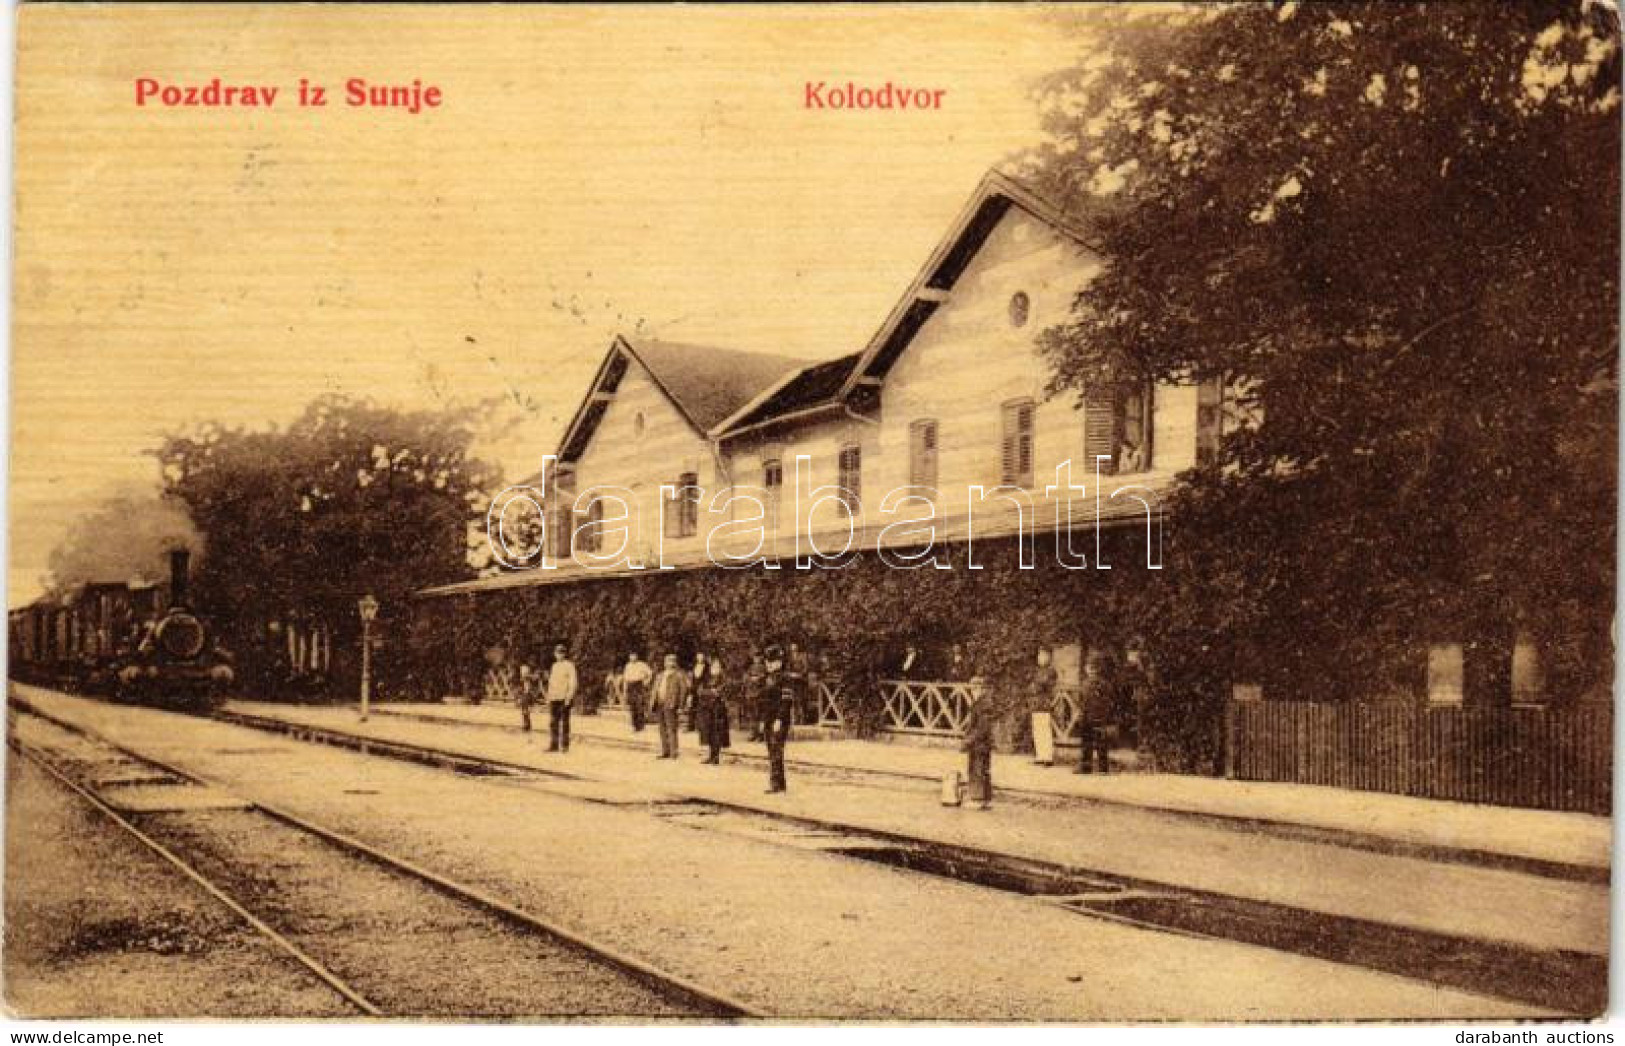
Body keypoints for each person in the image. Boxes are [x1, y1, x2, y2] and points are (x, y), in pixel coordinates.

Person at [760, 644, 793, 793]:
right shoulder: (768, 678)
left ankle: (776, 784)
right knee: (772, 751)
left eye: (771, 661)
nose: (768, 664)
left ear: (778, 662)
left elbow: (786, 701)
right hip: (768, 720)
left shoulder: (785, 678)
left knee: (776, 751)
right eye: (767, 661)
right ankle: (780, 784)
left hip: (779, 721)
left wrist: (779, 719)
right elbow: (764, 702)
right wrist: (762, 720)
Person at [1075, 651, 1113, 774]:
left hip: (1091, 717)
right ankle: (1101, 768)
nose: (1089, 670)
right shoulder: (1105, 684)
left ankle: (1088, 767)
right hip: (1098, 717)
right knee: (1098, 743)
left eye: (1090, 667)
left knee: (1088, 743)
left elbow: (1083, 702)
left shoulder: (1088, 684)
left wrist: (1081, 715)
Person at [962, 689, 998, 810]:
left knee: (977, 770)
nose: (973, 691)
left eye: (975, 688)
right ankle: (985, 799)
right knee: (983, 770)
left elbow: (982, 728)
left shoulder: (982, 705)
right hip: (983, 743)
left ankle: (977, 799)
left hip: (979, 743)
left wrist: (968, 740)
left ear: (980, 689)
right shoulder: (983, 704)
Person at [650, 652, 690, 759]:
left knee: (671, 728)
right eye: (667, 661)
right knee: (662, 728)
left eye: (672, 661)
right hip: (660, 703)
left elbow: (683, 691)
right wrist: (652, 701)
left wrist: (681, 706)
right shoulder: (660, 675)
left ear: (675, 663)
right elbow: (655, 689)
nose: (669, 663)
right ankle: (665, 751)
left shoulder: (679, 675)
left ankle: (673, 752)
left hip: (671, 704)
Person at [695, 653, 730, 764]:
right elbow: (700, 690)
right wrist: (709, 692)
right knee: (708, 731)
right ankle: (711, 755)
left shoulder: (723, 678)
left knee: (717, 732)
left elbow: (719, 692)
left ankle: (716, 756)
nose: (715, 668)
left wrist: (709, 692)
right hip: (706, 708)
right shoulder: (707, 678)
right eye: (713, 666)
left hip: (718, 709)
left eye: (717, 666)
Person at [546, 643, 578, 752]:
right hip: (554, 697)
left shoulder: (569, 665)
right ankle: (554, 745)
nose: (559, 655)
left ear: (564, 654)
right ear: (555, 654)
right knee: (553, 722)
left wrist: (569, 696)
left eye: (561, 653)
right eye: (557, 653)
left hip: (564, 698)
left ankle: (564, 746)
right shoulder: (554, 666)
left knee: (564, 723)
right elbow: (551, 682)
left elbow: (573, 682)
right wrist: (549, 696)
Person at [1029, 648, 1058, 766]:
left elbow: (1047, 685)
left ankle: (1048, 756)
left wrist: (1037, 685)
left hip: (1045, 703)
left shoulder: (1051, 671)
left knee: (1045, 729)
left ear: (1048, 657)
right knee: (1037, 729)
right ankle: (1040, 755)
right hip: (1036, 702)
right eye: (1039, 655)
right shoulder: (1036, 671)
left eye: (1043, 655)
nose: (1040, 658)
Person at [622, 652, 651, 732]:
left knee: (640, 705)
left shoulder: (642, 664)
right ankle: (635, 726)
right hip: (630, 686)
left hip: (638, 685)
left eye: (634, 655)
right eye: (631, 656)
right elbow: (625, 679)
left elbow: (650, 673)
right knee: (632, 706)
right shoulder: (627, 666)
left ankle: (641, 726)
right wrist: (625, 690)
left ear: (637, 656)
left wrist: (646, 682)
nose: (632, 657)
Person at [742, 647, 766, 741]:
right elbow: (745, 678)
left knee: (759, 715)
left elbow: (764, 678)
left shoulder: (764, 667)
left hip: (759, 694)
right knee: (752, 715)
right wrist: (750, 679)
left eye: (758, 657)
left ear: (761, 658)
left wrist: (757, 679)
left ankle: (760, 734)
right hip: (751, 693)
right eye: (755, 657)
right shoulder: (750, 667)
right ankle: (753, 733)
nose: (756, 659)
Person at [785, 641, 810, 724]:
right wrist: (790, 674)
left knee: (801, 700)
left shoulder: (803, 656)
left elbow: (806, 668)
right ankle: (794, 719)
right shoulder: (789, 658)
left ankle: (803, 720)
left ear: (798, 648)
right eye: (792, 649)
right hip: (792, 682)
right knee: (793, 700)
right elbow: (787, 669)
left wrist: (799, 674)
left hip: (801, 681)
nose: (794, 650)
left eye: (795, 648)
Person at [516, 660, 538, 734]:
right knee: (524, 710)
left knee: (526, 710)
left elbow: (535, 678)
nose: (524, 673)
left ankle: (527, 724)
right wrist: (518, 697)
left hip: (529, 695)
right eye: (522, 671)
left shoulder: (530, 680)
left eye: (525, 671)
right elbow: (519, 690)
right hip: (523, 695)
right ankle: (526, 724)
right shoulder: (521, 681)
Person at [687, 652, 707, 731]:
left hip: (702, 689)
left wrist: (702, 688)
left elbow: (706, 679)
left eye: (701, 657)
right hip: (693, 689)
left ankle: (701, 727)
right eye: (698, 657)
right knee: (692, 706)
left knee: (701, 707)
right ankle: (691, 726)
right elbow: (691, 677)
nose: (700, 658)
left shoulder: (707, 667)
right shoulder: (693, 666)